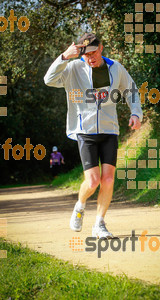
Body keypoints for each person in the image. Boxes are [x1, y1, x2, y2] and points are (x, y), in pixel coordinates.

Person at [44, 33, 143, 238]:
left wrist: (135, 113)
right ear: (81, 52)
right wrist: (64, 56)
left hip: (109, 130)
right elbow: (49, 80)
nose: (91, 57)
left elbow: (131, 90)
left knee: (108, 179)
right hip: (85, 131)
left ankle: (99, 223)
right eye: (86, 53)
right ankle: (80, 207)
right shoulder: (73, 69)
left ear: (101, 48)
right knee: (93, 181)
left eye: (94, 52)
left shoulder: (116, 67)